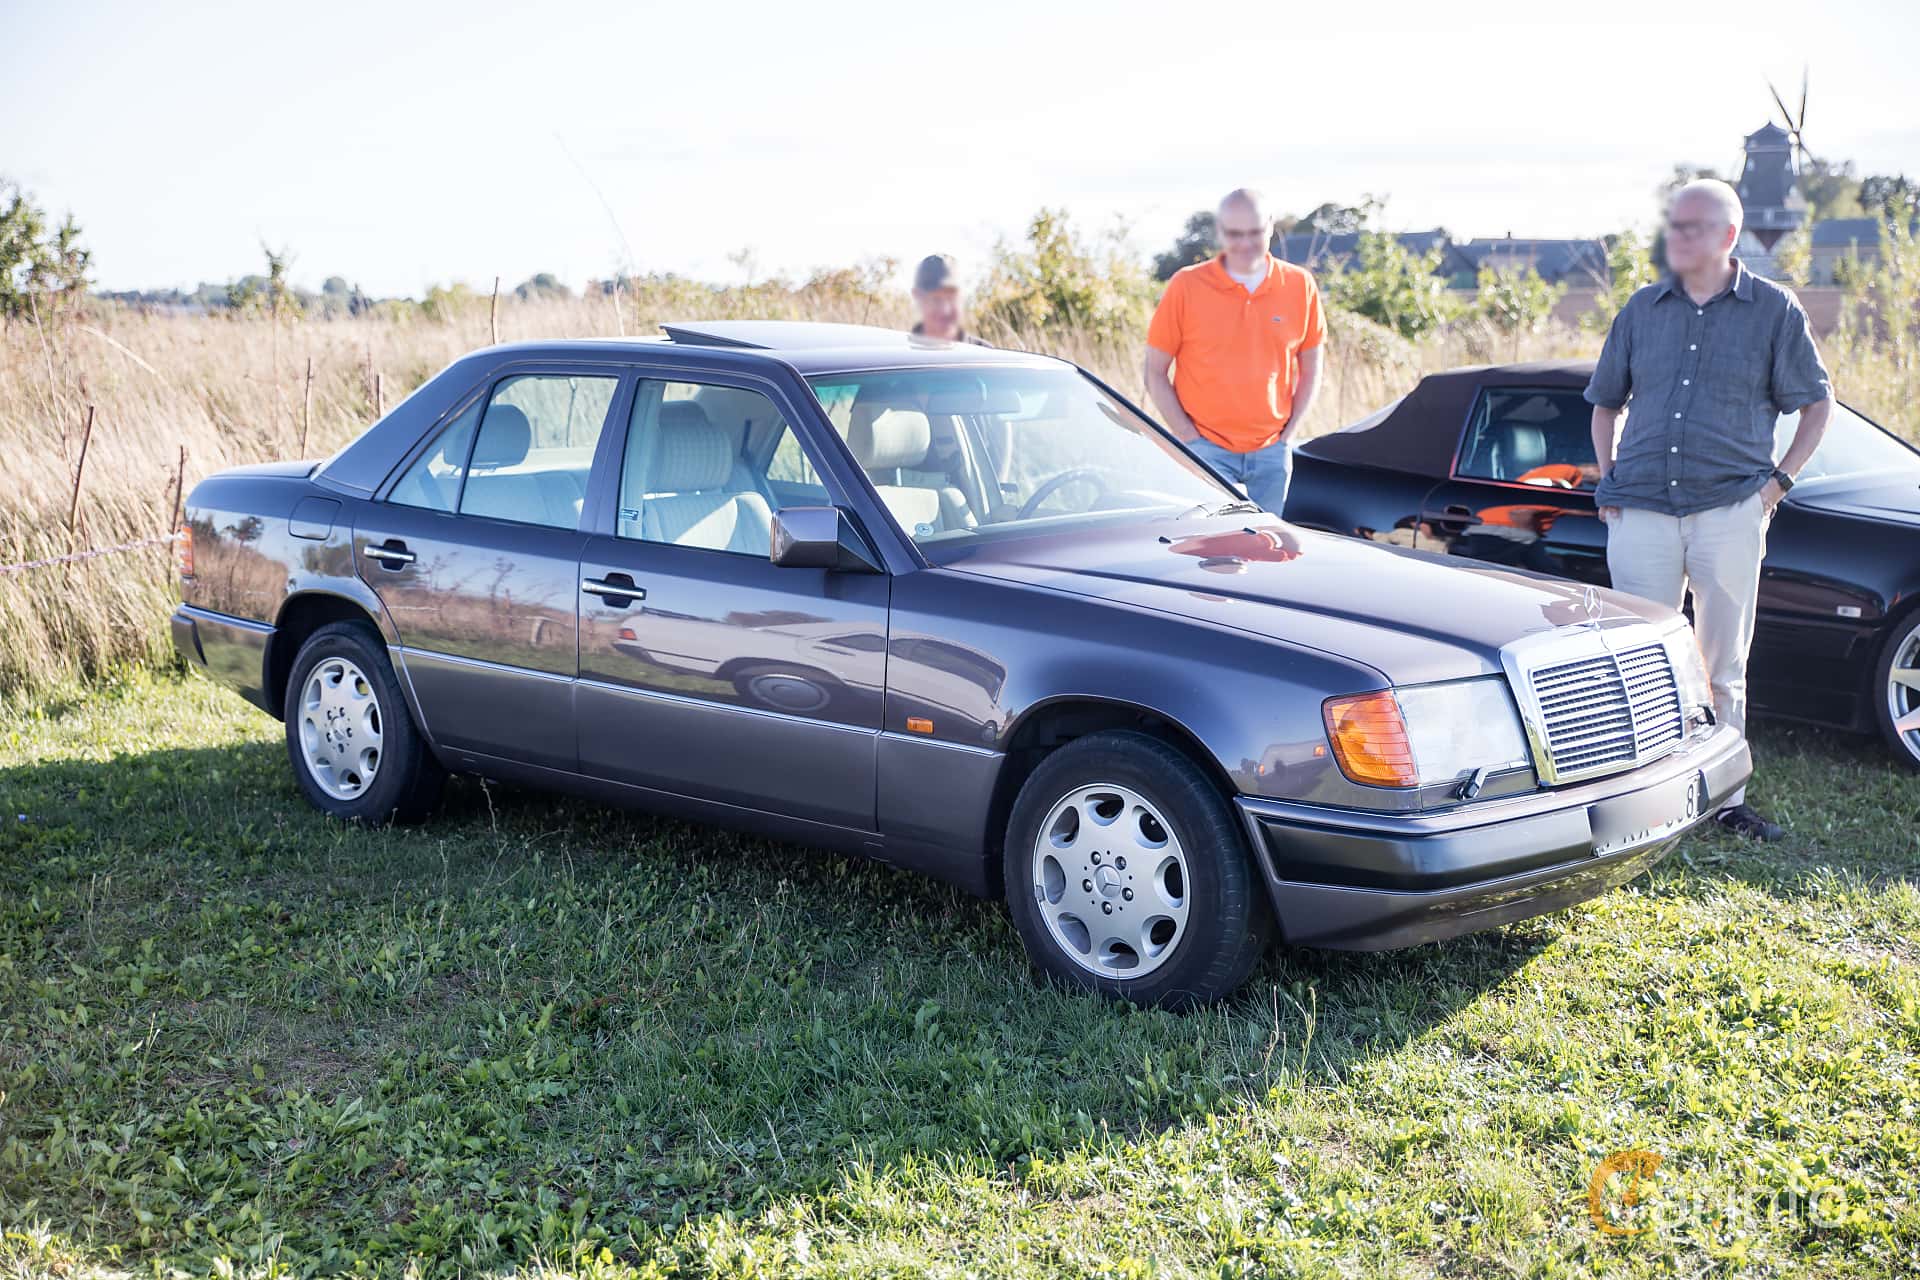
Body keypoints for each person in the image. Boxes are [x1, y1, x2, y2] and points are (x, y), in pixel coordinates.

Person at [1587, 178, 1833, 841]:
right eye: (1674, 225)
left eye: (1692, 226)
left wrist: (1776, 485)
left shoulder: (1773, 311)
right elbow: (1605, 402)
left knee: (1722, 662)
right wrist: (1609, 482)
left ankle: (1724, 801)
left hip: (1729, 508)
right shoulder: (1642, 309)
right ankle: (1645, 796)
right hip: (1640, 511)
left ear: (1727, 236)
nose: (1678, 236)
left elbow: (1817, 403)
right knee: (1638, 661)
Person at [1143, 188, 1325, 514]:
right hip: (1206, 453)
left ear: (1270, 226)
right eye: (1234, 234)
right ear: (1220, 231)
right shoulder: (1186, 285)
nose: (1244, 244)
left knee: (1266, 556)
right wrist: (1188, 438)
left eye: (1255, 232)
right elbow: (1154, 371)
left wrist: (1288, 434)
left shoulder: (1300, 285)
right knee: (1209, 557)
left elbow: (1312, 368)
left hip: (1272, 453)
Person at [909, 254, 990, 345]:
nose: (945, 310)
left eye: (952, 298)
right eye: (936, 299)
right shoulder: (900, 354)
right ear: (917, 296)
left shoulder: (985, 354)